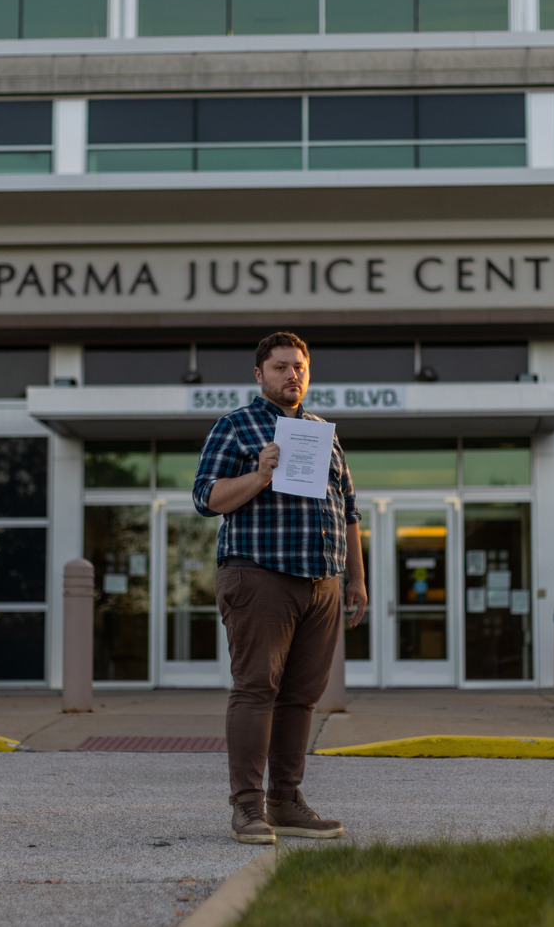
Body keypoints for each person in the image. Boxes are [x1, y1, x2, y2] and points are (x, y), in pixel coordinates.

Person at [192, 331, 368, 845]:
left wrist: (354, 578)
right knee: (256, 690)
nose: (293, 374)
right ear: (259, 375)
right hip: (259, 575)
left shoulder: (323, 433)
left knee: (301, 698)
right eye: (281, 367)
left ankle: (286, 802)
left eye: (300, 367)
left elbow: (348, 508)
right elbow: (206, 498)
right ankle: (246, 807)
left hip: (321, 582)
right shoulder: (235, 427)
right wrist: (260, 474)